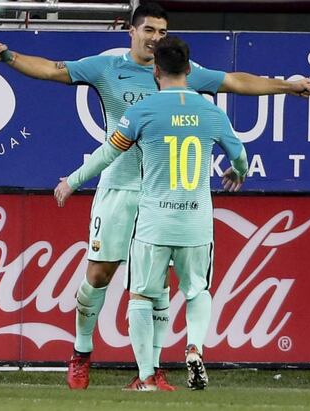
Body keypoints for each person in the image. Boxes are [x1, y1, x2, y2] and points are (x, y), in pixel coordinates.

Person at [0, 2, 310, 391]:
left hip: (161, 196)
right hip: (120, 189)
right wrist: (9, 56)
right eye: (150, 30)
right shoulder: (107, 68)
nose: (156, 38)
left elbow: (237, 81)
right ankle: (81, 352)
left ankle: (151, 370)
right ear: (132, 30)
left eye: (162, 31)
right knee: (99, 274)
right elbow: (54, 70)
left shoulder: (183, 74)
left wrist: (288, 86)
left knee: (155, 286)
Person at [54, 34, 249, 391]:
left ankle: (145, 376)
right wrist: (238, 172)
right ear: (189, 70)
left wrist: (74, 180)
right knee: (196, 290)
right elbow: (240, 156)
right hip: (196, 221)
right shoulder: (212, 112)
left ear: (156, 70)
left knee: (142, 295)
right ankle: (194, 346)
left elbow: (108, 153)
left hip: (155, 218)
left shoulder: (142, 111)